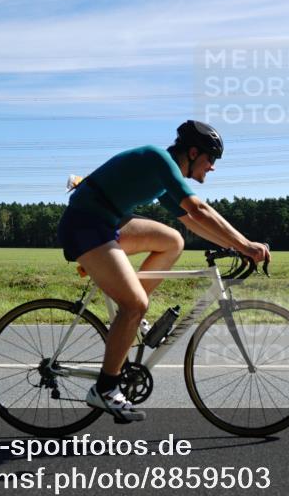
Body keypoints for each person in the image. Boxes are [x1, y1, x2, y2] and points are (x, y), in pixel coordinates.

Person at [57, 120, 270, 423]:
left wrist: (234, 246)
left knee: (173, 241)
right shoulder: (160, 160)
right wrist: (246, 245)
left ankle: (129, 318)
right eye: (211, 158)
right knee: (135, 304)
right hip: (86, 226)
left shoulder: (163, 173)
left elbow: (191, 221)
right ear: (193, 153)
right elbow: (199, 210)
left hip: (106, 222)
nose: (212, 167)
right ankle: (105, 388)